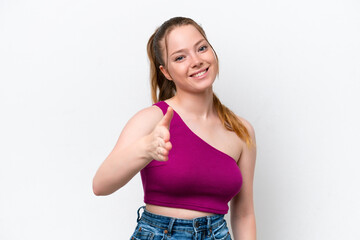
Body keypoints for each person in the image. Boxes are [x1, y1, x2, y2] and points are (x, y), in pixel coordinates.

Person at [92, 16, 257, 240]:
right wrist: (145, 149)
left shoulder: (241, 131)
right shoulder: (152, 119)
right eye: (180, 57)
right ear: (166, 72)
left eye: (201, 48)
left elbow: (244, 214)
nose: (196, 60)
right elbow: (100, 185)